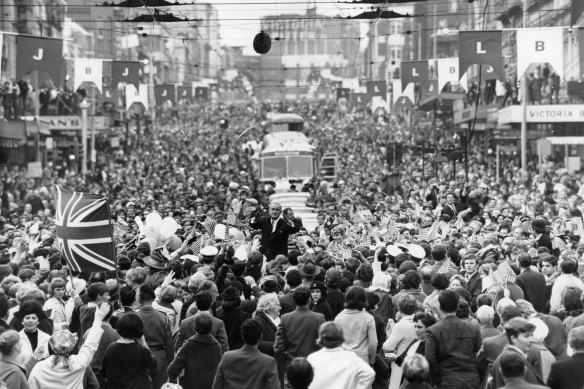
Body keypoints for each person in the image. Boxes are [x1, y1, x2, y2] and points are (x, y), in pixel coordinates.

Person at [27, 303, 110, 389]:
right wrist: (98, 319)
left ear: (51, 347)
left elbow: (30, 386)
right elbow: (90, 345)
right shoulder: (78, 363)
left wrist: (34, 357)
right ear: (72, 348)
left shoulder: (40, 367)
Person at [425, 289, 482, 389]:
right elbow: (481, 356)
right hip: (471, 381)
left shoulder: (433, 331)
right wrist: (479, 378)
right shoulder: (473, 328)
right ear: (457, 306)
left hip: (447, 381)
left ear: (440, 307)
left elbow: (430, 359)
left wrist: (436, 381)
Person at [213, 319, 280, 389]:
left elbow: (217, 385)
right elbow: (274, 386)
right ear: (260, 336)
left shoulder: (227, 357)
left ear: (242, 335)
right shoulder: (268, 362)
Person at [306, 321, 375, 389]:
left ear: (321, 337)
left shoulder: (312, 357)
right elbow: (369, 373)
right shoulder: (350, 357)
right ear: (341, 336)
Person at [274, 286, 325, 377]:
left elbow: (278, 348)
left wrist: (284, 367)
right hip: (314, 367)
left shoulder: (285, 318)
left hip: (292, 367)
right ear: (309, 299)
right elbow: (323, 344)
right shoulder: (319, 318)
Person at [102, 313, 156, 389]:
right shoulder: (142, 351)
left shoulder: (111, 348)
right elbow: (153, 365)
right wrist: (143, 343)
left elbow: (104, 372)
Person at [167, 313, 222, 389]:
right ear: (211, 327)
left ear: (195, 326)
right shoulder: (216, 346)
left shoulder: (189, 345)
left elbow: (172, 370)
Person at [135, 285, 174, 389]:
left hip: (139, 357)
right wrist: (171, 364)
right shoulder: (163, 317)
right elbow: (169, 344)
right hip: (160, 358)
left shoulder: (134, 317)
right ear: (153, 298)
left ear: (139, 300)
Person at [489, 317, 545, 389]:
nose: (531, 340)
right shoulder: (510, 360)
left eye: (532, 335)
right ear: (513, 338)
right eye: (526, 336)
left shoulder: (513, 357)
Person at [334, 285, 378, 364]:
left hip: (343, 359)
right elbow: (373, 343)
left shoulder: (338, 318)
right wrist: (372, 361)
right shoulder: (368, 318)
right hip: (362, 359)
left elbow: (335, 342)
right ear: (364, 299)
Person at [383, 294, 419, 389]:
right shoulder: (420, 321)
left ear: (399, 308)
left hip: (399, 363)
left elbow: (388, 347)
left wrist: (389, 333)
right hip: (417, 362)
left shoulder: (401, 325)